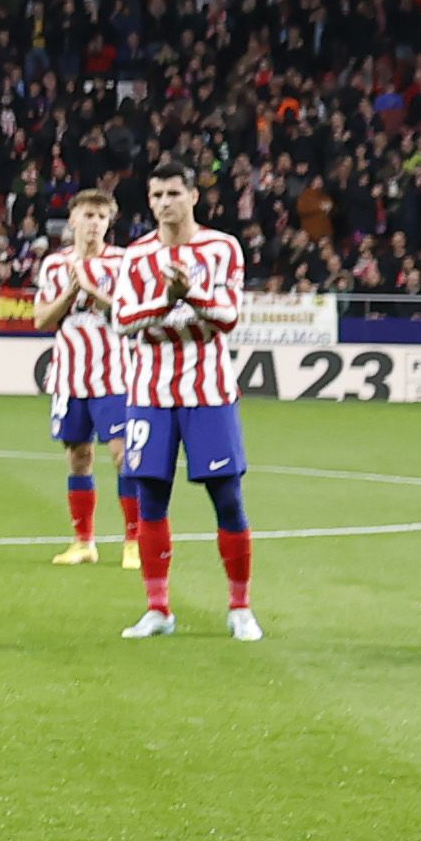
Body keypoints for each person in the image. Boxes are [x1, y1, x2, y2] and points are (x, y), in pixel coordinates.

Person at [110, 161, 254, 641]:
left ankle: (239, 607)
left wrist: (186, 292)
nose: (164, 203)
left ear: (194, 196)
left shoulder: (222, 248)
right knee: (150, 498)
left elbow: (229, 317)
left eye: (173, 193)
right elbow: (124, 320)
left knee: (227, 498)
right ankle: (158, 609)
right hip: (149, 393)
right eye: (156, 195)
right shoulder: (135, 256)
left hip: (208, 391)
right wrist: (176, 304)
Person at [31, 189, 127, 566]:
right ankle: (84, 542)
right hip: (69, 376)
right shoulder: (55, 266)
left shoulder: (123, 262)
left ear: (109, 223)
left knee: (123, 455)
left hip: (114, 374)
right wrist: (71, 291)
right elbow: (41, 319)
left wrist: (94, 292)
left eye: (101, 217)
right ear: (72, 220)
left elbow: (129, 315)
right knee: (79, 457)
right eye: (87, 216)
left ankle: (133, 540)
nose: (93, 224)